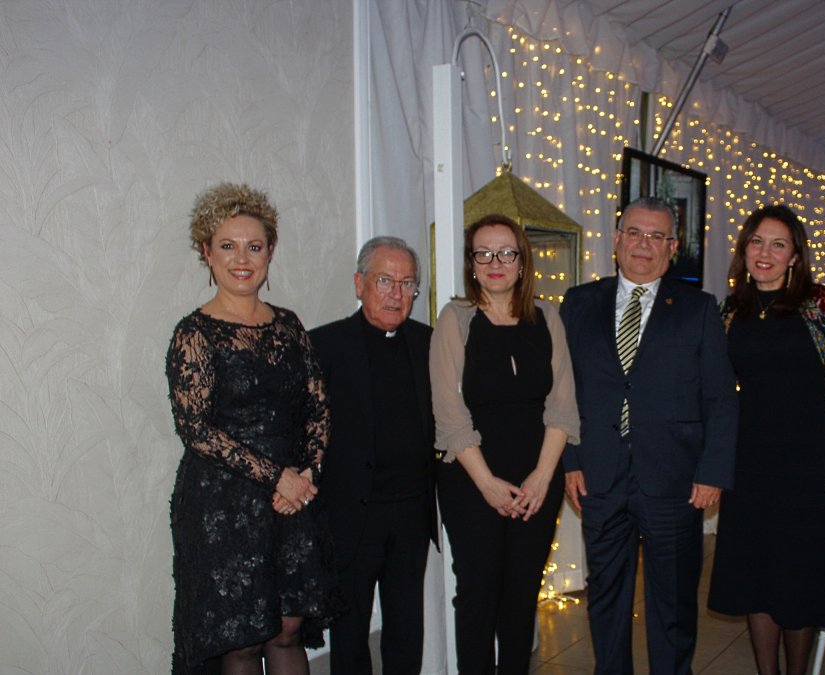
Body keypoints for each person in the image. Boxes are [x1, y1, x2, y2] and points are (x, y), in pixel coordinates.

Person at [560, 196, 738, 675]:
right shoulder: (579, 303)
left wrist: (712, 472)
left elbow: (721, 398)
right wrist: (571, 460)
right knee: (606, 601)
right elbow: (563, 391)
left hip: (675, 482)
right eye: (635, 233)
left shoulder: (699, 309)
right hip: (598, 476)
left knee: (673, 606)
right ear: (616, 239)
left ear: (673, 248)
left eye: (657, 236)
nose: (644, 244)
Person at [166, 182, 337, 674]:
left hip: (292, 500)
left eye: (254, 246)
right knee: (240, 641)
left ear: (269, 253)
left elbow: (318, 408)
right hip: (224, 503)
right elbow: (195, 429)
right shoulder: (194, 333)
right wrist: (276, 476)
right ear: (207, 252)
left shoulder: (289, 325)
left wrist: (305, 475)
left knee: (286, 633)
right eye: (228, 245)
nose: (243, 258)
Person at [706, 204, 825, 675]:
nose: (765, 253)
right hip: (749, 462)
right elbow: (714, 387)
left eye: (778, 244)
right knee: (757, 575)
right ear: (744, 249)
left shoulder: (822, 304)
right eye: (757, 242)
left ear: (794, 255)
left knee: (799, 578)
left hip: (811, 463)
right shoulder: (732, 310)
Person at [430, 214, 580, 674]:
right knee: (477, 593)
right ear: (471, 263)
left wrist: (540, 477)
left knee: (521, 595)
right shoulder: (455, 319)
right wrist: (489, 485)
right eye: (484, 253)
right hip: (471, 479)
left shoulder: (547, 317)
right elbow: (450, 416)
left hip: (538, 478)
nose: (495, 262)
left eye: (506, 253)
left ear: (522, 261)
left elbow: (562, 405)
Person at [309, 237, 436, 674]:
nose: (396, 294)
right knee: (349, 631)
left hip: (412, 513)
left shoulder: (429, 343)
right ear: (360, 283)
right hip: (350, 515)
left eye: (407, 284)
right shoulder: (323, 346)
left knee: (406, 629)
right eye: (385, 280)